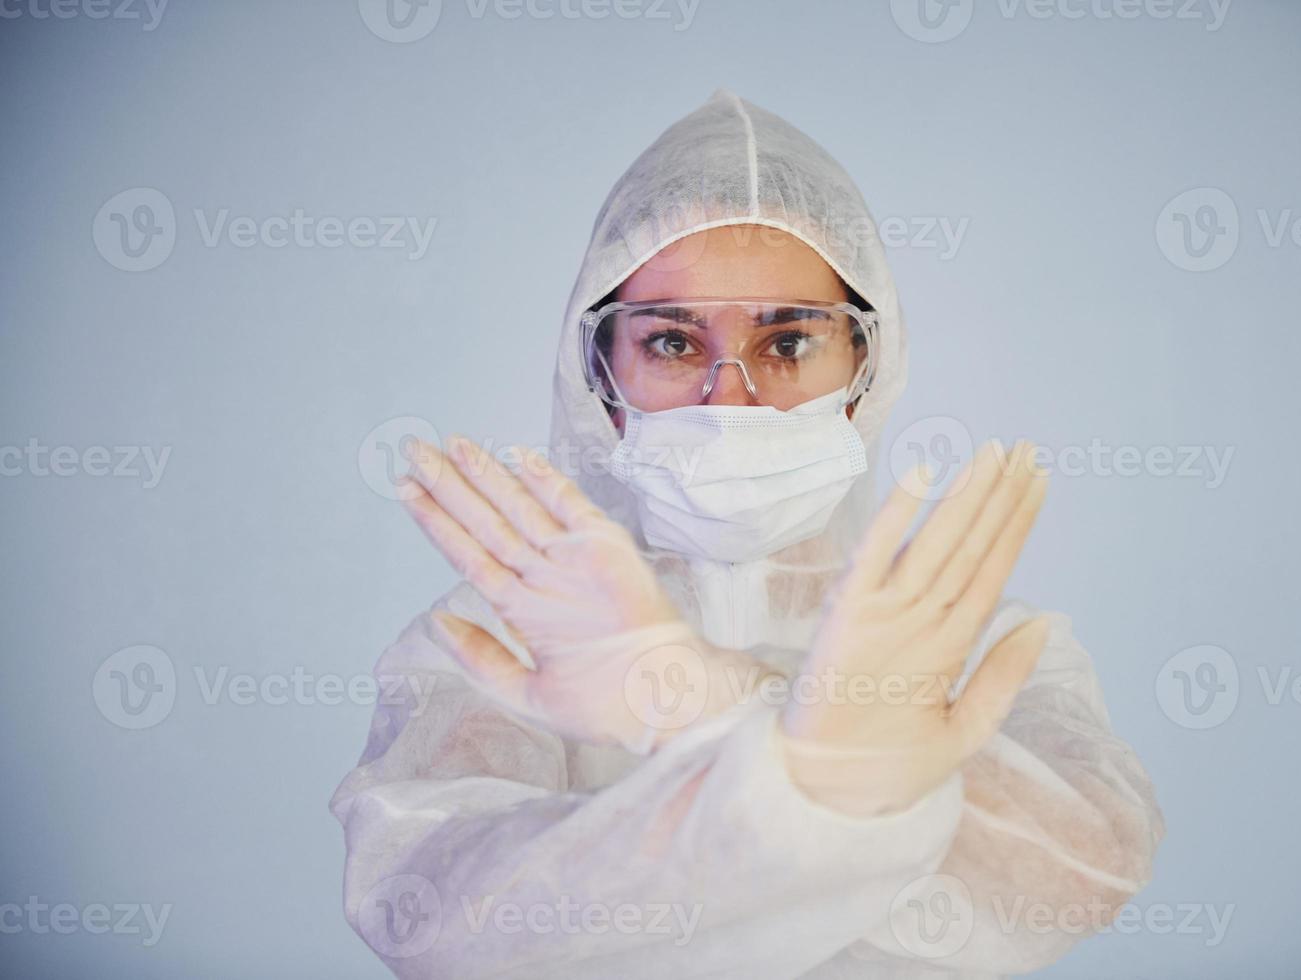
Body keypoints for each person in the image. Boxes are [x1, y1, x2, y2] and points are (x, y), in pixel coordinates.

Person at [329, 89, 1164, 979]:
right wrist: (829, 773)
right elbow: (440, 922)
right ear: (600, 376)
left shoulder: (980, 640)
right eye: (674, 344)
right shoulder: (501, 635)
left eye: (791, 344)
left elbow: (1087, 864)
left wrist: (711, 704)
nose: (730, 400)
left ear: (866, 370)